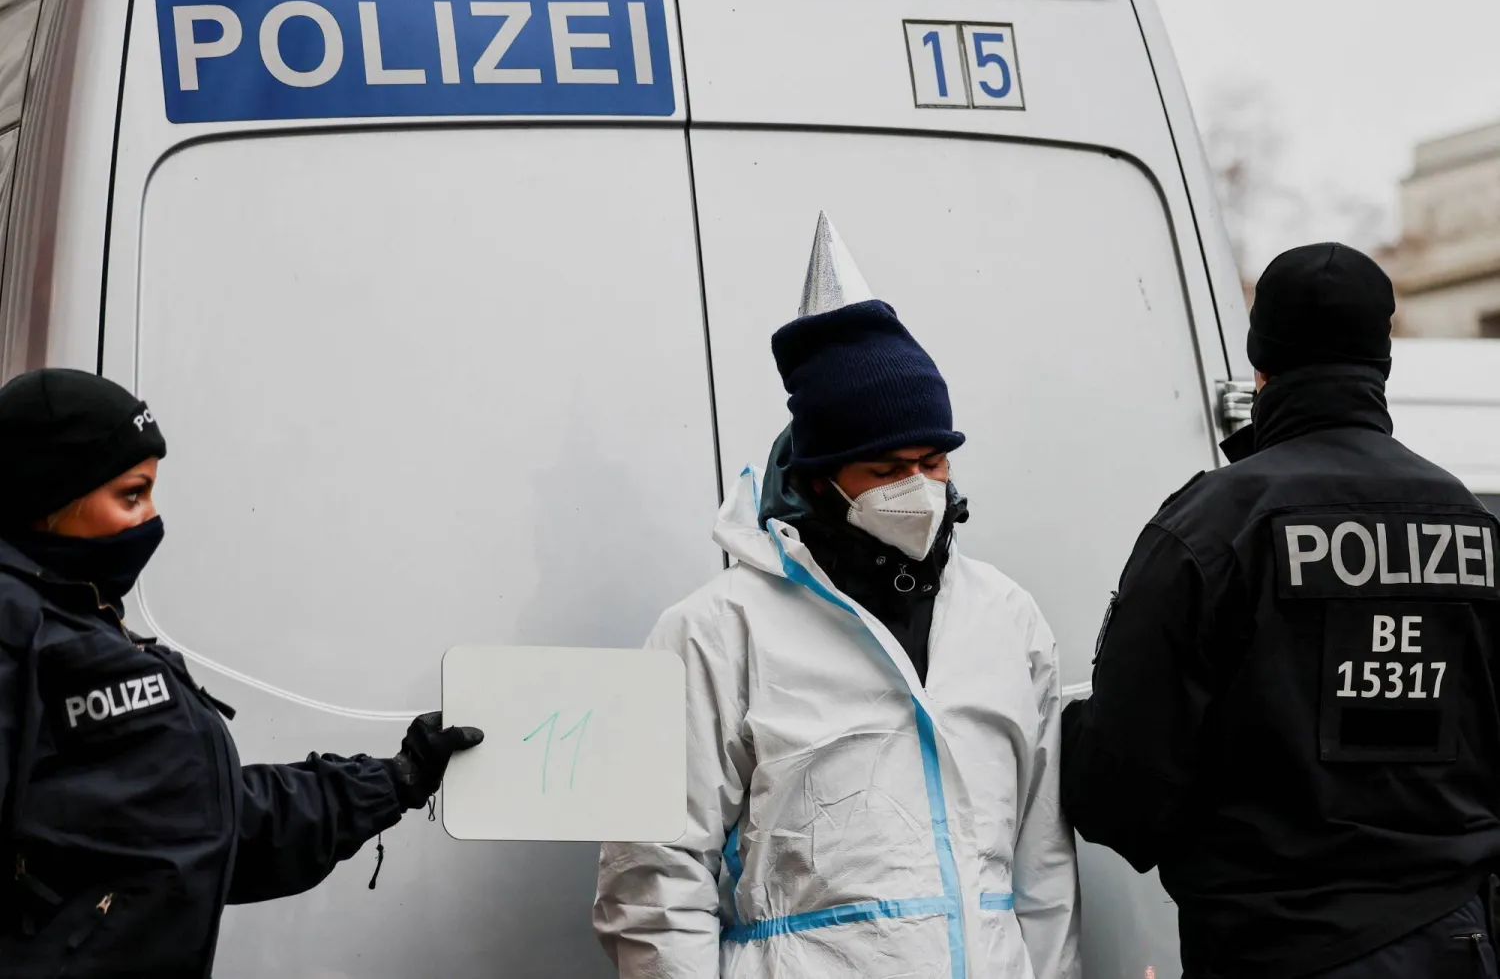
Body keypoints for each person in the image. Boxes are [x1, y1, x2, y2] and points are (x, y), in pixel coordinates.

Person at [595, 213, 1079, 979]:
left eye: (934, 461)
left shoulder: (1005, 619)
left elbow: (1042, 862)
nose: (918, 488)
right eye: (886, 471)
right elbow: (653, 877)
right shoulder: (717, 631)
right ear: (822, 479)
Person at [1061, 243, 1500, 978]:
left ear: (1259, 358)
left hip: (1275, 947)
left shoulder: (1210, 527)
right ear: (1381, 359)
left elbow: (1121, 791)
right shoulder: (1471, 524)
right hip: (1454, 944)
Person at [0, 368, 484, 978]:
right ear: (51, 500)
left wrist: (395, 780)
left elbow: (209, 826)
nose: (152, 519)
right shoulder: (17, 634)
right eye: (131, 495)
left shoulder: (85, 622)